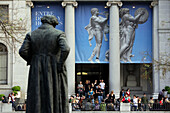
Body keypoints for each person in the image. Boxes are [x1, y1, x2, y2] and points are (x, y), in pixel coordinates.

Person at [19, 15, 70, 113]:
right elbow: (66, 49)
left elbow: (22, 51)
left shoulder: (31, 34)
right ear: (53, 24)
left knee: (37, 93)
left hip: (36, 67)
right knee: (56, 93)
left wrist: (33, 60)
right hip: (54, 67)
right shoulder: (59, 34)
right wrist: (60, 63)